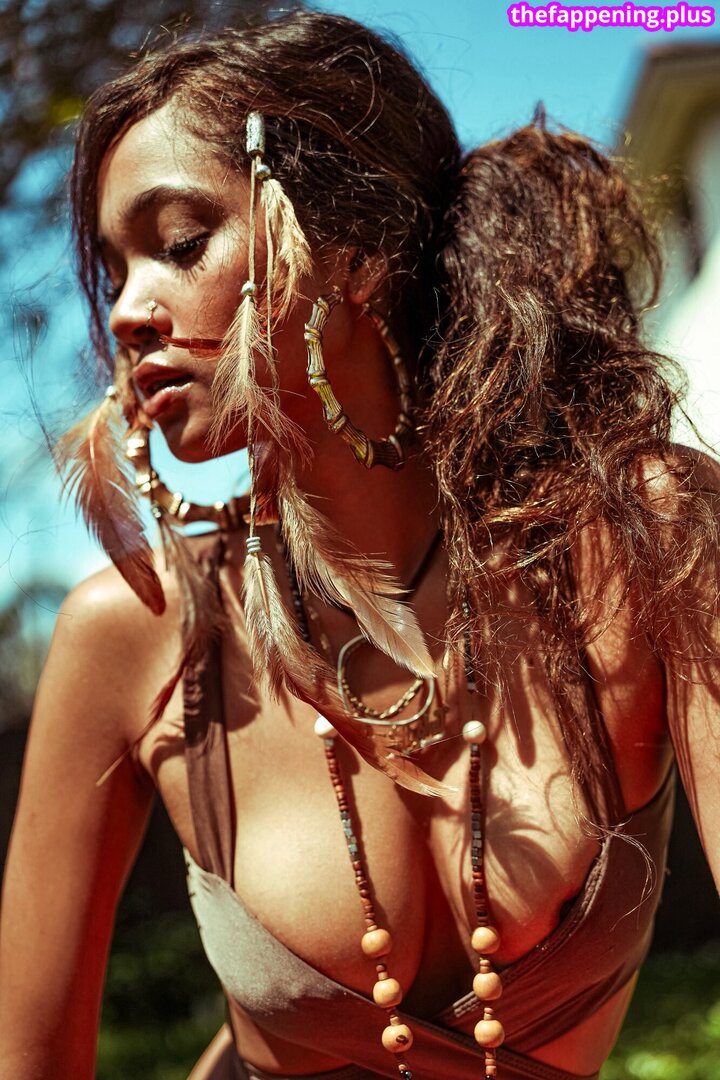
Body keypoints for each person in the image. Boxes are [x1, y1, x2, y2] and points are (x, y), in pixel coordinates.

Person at [0, 10, 718, 1080]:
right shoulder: (134, 635)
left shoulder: (639, 544)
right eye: (116, 270)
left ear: (357, 256)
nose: (128, 312)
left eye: (180, 243)